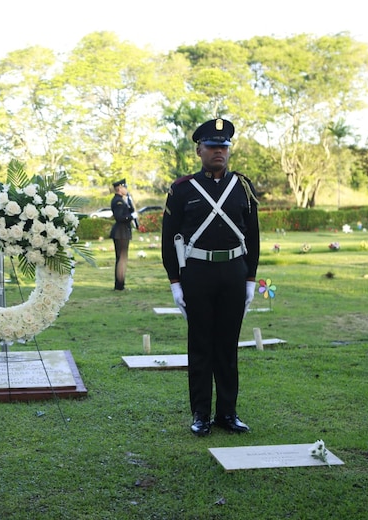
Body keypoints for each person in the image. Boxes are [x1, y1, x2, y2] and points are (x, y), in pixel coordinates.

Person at [161, 118, 260, 436]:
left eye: (224, 146)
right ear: (199, 150)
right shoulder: (182, 190)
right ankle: (201, 414)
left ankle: (227, 414)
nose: (219, 151)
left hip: (233, 272)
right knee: (201, 345)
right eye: (213, 146)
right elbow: (169, 238)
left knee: (228, 346)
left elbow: (254, 237)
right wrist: (175, 282)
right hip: (198, 274)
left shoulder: (242, 187)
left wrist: (249, 280)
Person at [110, 179, 137, 291]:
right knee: (122, 259)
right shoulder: (118, 201)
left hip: (123, 232)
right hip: (121, 232)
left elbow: (129, 210)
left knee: (122, 259)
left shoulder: (122, 200)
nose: (126, 190)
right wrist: (131, 217)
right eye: (125, 188)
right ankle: (120, 286)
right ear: (120, 189)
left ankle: (120, 284)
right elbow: (120, 217)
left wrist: (130, 202)